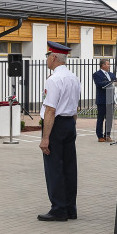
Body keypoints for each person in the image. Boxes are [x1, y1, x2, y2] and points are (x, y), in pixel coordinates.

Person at [38, 41, 81, 221]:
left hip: (56, 125)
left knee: (54, 168)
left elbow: (50, 110)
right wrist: (72, 127)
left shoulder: (54, 79)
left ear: (54, 57)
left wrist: (45, 138)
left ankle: (58, 209)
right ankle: (70, 208)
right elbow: (75, 107)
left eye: (48, 56)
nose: (47, 59)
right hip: (69, 123)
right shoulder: (74, 78)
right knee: (69, 168)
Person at [93, 58, 117, 141]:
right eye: (108, 64)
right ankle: (100, 136)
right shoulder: (97, 74)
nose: (109, 66)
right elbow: (99, 84)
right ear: (103, 65)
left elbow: (115, 83)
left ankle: (107, 135)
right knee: (101, 118)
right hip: (102, 99)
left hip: (110, 99)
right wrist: (110, 82)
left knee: (109, 118)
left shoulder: (111, 75)